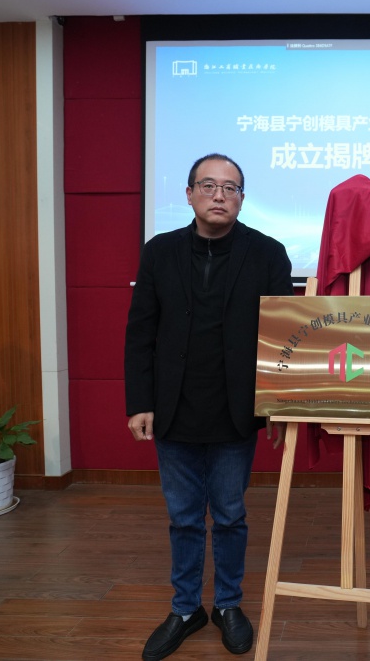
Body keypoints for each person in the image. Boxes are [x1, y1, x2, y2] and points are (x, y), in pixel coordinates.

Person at [125, 153, 293, 659]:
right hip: (173, 407)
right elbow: (140, 332)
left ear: (242, 198)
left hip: (235, 410)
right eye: (208, 185)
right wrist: (140, 402)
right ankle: (184, 609)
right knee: (183, 518)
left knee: (230, 515)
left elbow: (283, 338)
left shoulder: (268, 253)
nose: (219, 195)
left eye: (230, 188)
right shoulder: (160, 251)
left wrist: (276, 406)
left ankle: (227, 605)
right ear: (189, 193)